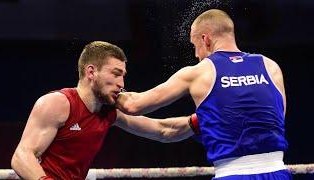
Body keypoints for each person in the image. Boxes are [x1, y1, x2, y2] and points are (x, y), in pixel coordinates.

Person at [116, 9, 292, 179]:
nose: (196, 54)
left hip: (232, 174)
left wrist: (102, 88)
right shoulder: (270, 66)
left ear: (205, 39)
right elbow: (277, 118)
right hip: (277, 171)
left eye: (195, 45)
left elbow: (133, 105)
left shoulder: (199, 72)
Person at [11, 41, 195, 180]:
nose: (121, 84)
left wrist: (200, 120)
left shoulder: (109, 112)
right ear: (91, 72)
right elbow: (22, 156)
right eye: (115, 74)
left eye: (123, 76)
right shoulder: (57, 103)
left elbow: (163, 130)